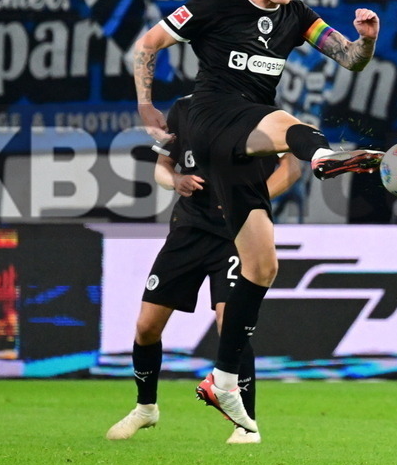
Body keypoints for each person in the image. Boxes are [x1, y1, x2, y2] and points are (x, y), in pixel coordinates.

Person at [134, 0, 383, 434]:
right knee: (289, 125)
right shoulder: (213, 6)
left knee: (264, 265)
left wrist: (368, 39)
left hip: (241, 146)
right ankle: (323, 158)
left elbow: (350, 59)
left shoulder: (297, 17)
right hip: (207, 117)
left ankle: (224, 379)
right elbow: (149, 43)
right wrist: (144, 102)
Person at [106, 96, 302, 445]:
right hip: (189, 231)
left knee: (231, 324)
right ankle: (145, 408)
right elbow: (162, 167)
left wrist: (253, 201)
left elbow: (292, 166)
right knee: (147, 325)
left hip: (235, 234)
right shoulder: (185, 109)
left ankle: (246, 424)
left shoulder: (264, 109)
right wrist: (176, 180)